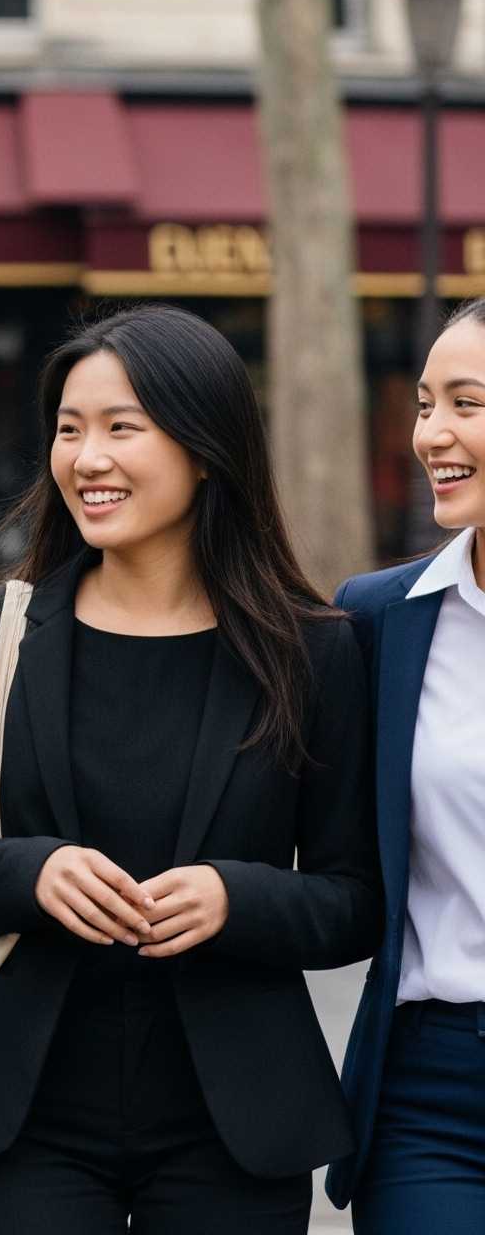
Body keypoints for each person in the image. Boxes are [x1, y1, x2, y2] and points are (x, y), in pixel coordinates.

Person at [0, 304, 376, 1234]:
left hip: (235, 1129)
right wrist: (31, 872)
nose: (87, 459)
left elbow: (355, 899)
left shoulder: (312, 651)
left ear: (206, 449)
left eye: (122, 428)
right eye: (69, 430)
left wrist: (237, 898)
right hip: (25, 1122)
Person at [332, 294, 485, 1232]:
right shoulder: (379, 617)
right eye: (426, 404)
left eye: (467, 403)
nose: (432, 433)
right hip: (429, 1090)